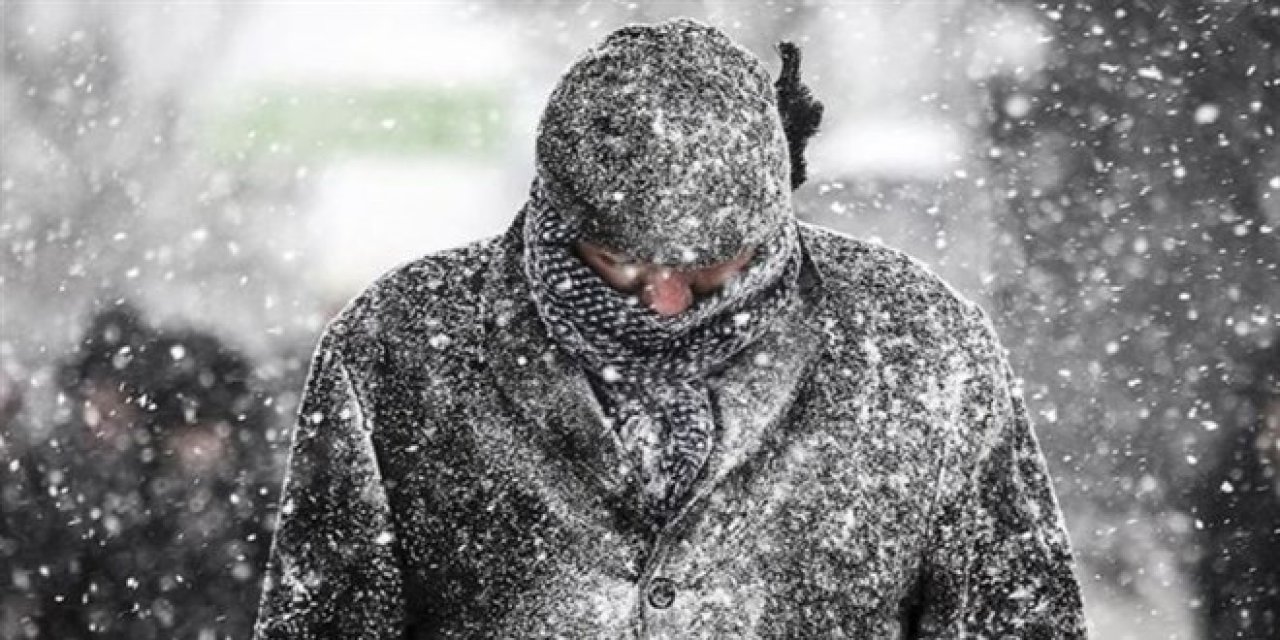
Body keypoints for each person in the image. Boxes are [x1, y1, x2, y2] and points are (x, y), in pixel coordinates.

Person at [254, 18, 1087, 638]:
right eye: (621, 261)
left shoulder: (917, 348)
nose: (666, 301)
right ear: (555, 214)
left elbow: (1018, 617)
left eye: (708, 266)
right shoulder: (402, 348)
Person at [10, 303, 277, 639]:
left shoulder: (264, 513)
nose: (197, 447)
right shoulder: (125, 509)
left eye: (209, 428)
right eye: (183, 431)